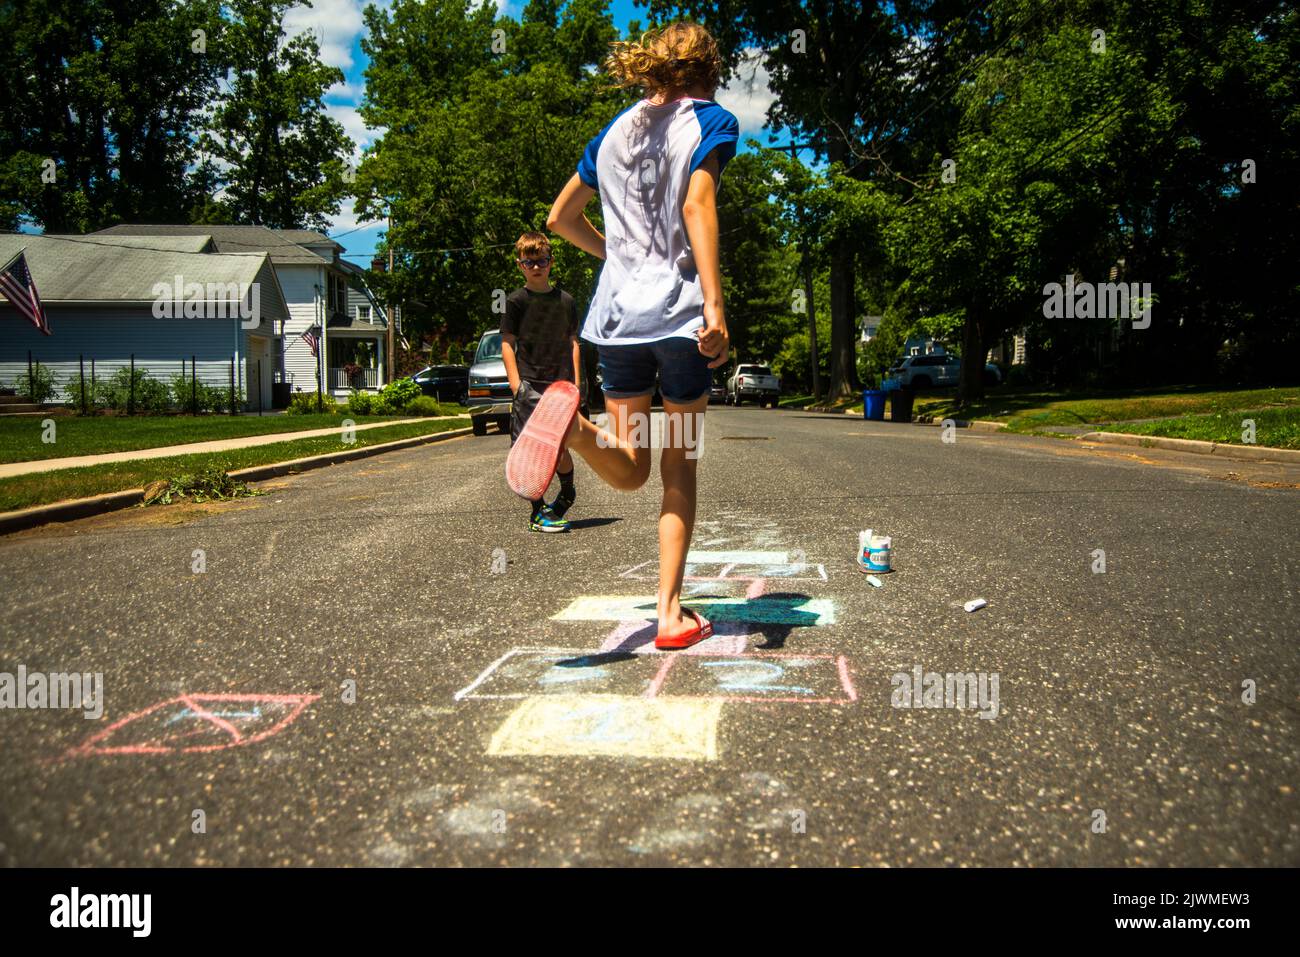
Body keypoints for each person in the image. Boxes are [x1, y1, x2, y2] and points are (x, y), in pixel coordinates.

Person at [506, 21, 738, 649]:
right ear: (709, 69)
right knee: (678, 463)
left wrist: (619, 258)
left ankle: (576, 432)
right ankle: (668, 614)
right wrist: (714, 308)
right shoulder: (710, 121)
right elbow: (697, 207)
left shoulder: (613, 132)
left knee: (630, 466)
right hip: (681, 321)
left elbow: (560, 218)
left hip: (618, 323)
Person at [501, 231, 582, 533]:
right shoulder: (515, 302)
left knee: (558, 448)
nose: (536, 267)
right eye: (529, 261)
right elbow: (507, 343)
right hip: (530, 386)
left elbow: (574, 343)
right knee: (531, 451)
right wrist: (516, 385)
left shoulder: (566, 301)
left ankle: (568, 493)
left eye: (542, 260)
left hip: (560, 390)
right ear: (520, 264)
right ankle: (537, 512)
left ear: (551, 262)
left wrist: (576, 385)